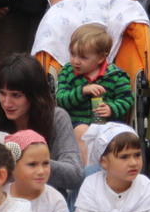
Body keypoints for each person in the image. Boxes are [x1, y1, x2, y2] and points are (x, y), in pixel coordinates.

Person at [0, 52, 84, 193]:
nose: (7, 103)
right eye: (2, 93)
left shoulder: (56, 118)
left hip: (48, 201)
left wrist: (33, 161)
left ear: (35, 95)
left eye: (16, 95)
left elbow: (75, 174)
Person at [56, 23, 134, 161]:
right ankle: (88, 170)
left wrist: (111, 108)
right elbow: (61, 99)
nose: (76, 61)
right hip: (76, 123)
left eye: (83, 57)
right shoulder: (67, 72)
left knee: (119, 137)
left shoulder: (116, 76)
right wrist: (82, 91)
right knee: (82, 132)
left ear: (100, 58)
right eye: (73, 54)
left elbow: (127, 99)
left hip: (108, 125)